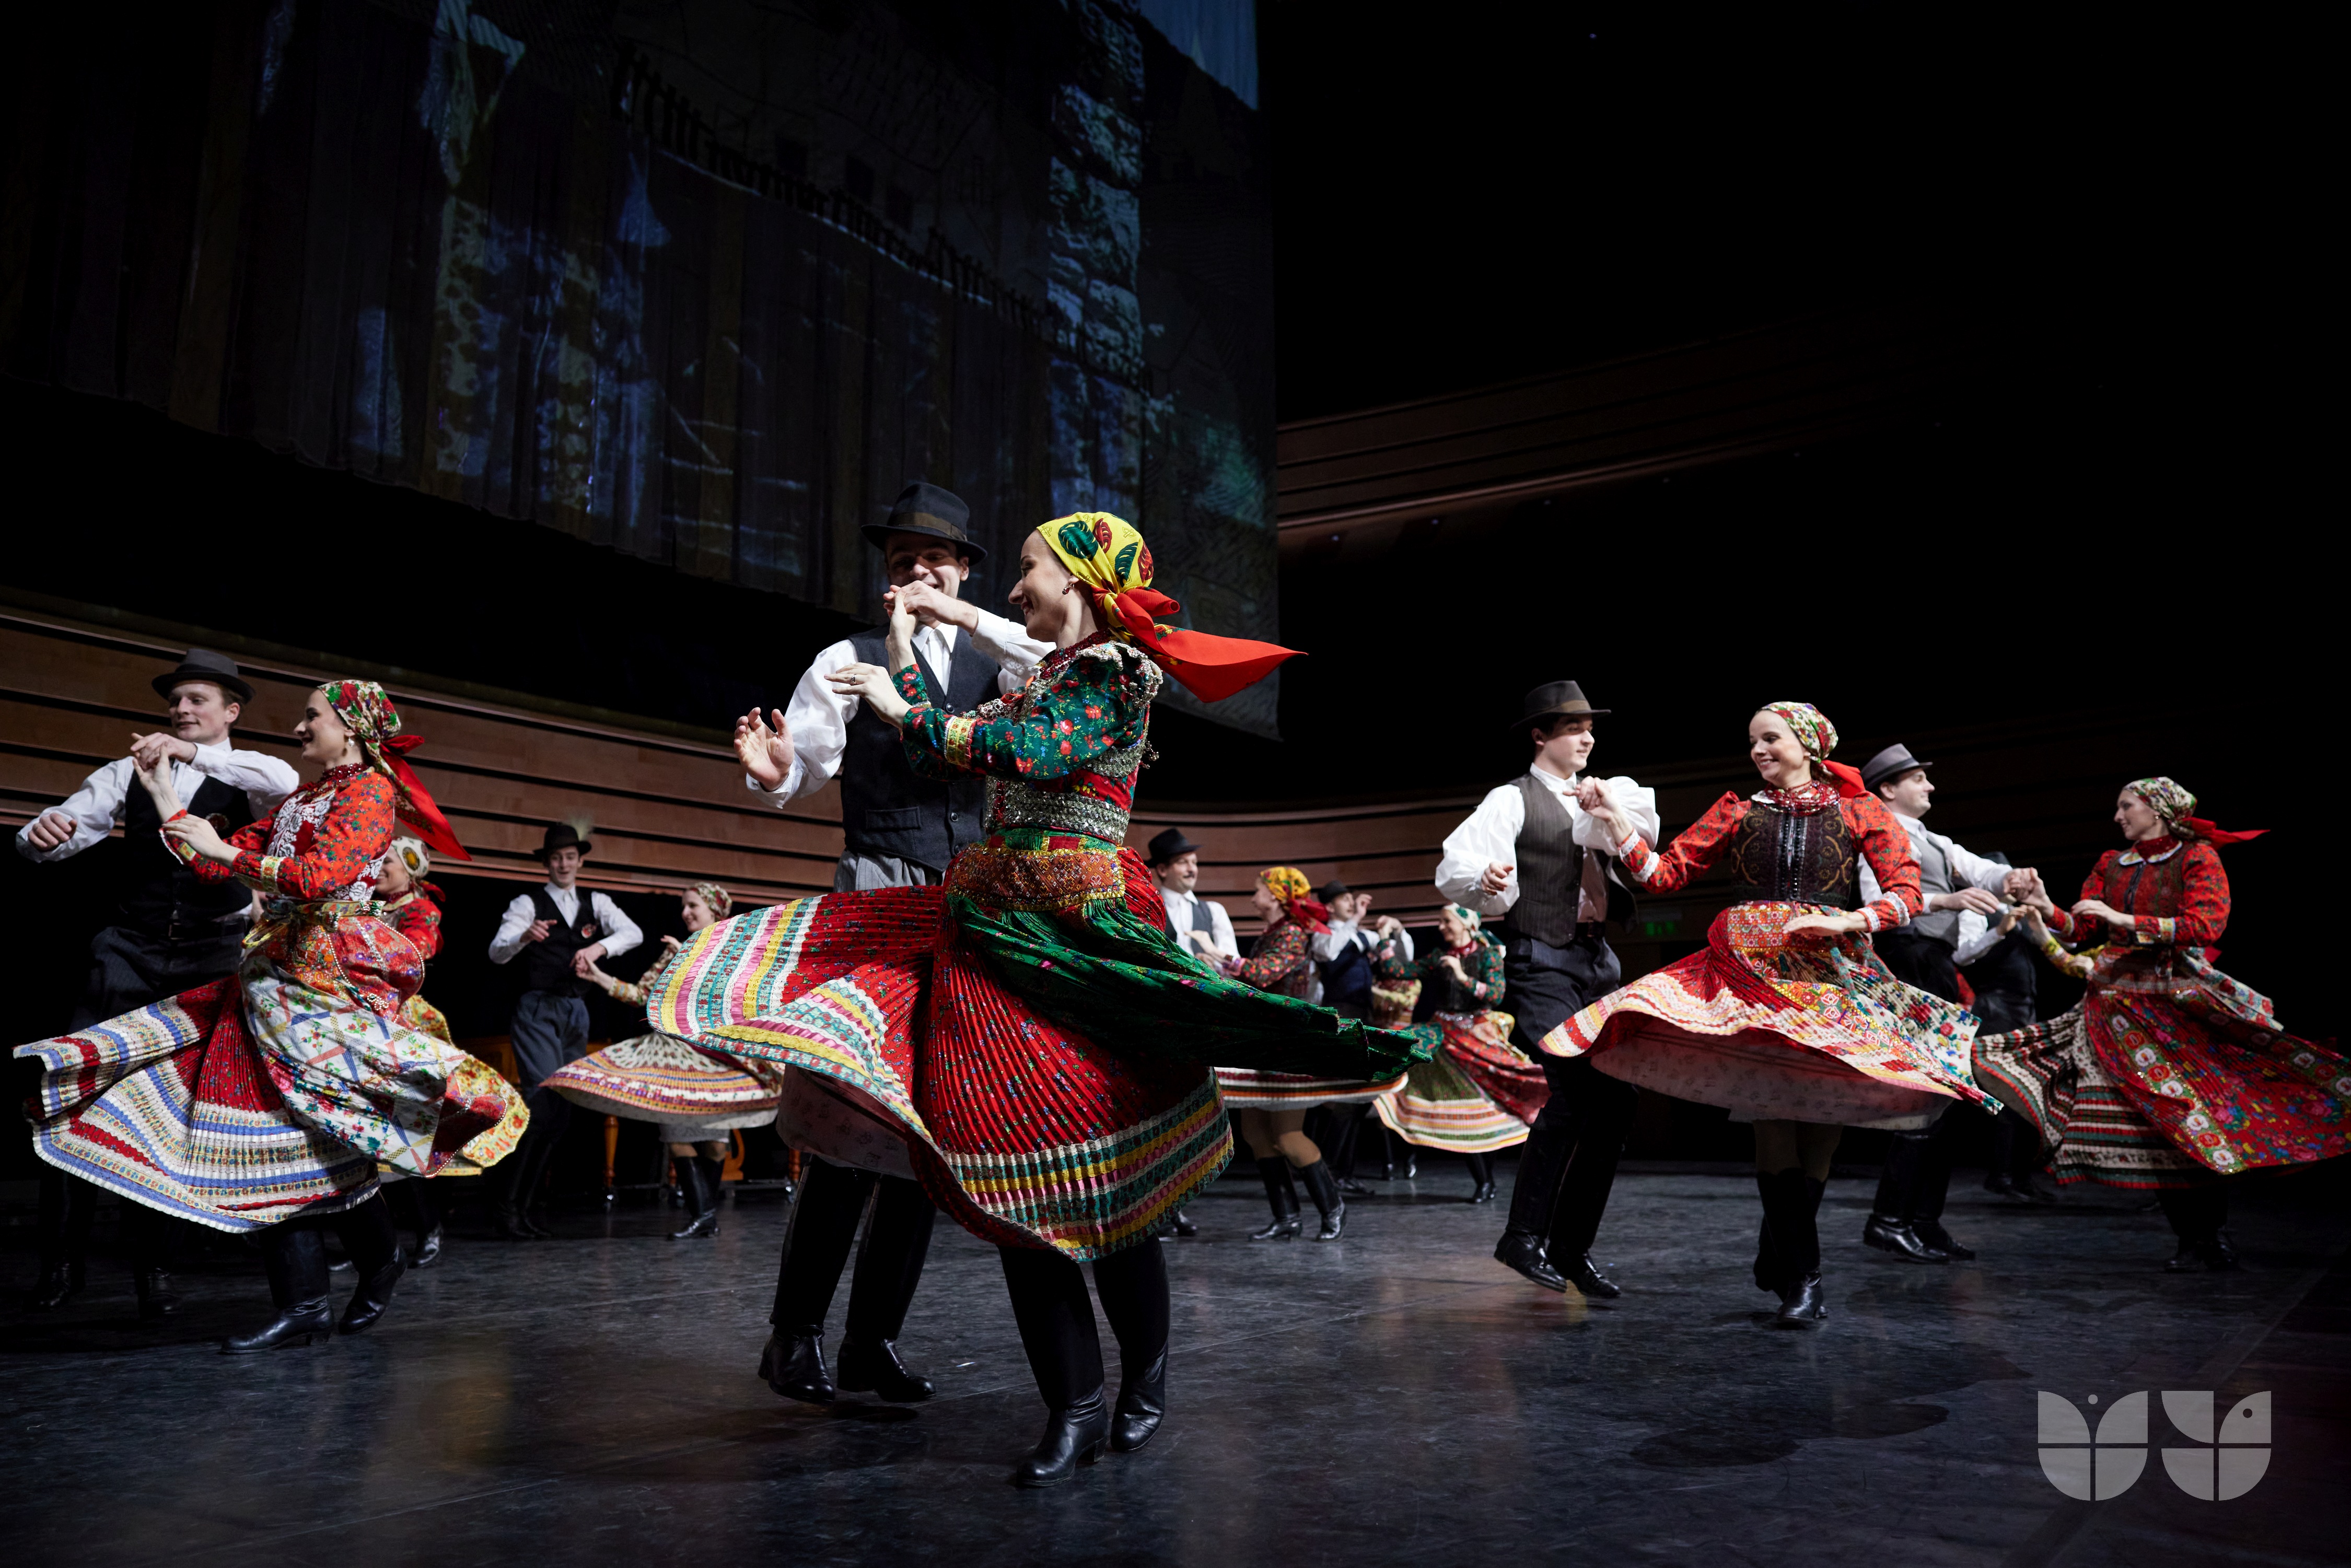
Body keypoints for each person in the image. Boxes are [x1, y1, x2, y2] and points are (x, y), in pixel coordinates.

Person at [648, 511, 1419, 1484]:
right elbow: (945, 751)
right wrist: (896, 662)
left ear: (1081, 580)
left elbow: (1024, 749)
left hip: (1079, 936)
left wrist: (901, 684)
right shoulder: (1046, 669)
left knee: (1110, 1181)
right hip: (989, 936)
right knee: (1011, 1172)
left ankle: (1143, 1375)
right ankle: (1072, 1402)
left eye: (1026, 569)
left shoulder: (1116, 673)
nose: (1013, 589)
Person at [15, 681, 526, 1353]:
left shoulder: (369, 792)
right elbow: (208, 863)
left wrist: (225, 851)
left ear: (350, 728)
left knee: (315, 1132)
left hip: (325, 983)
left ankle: (376, 1258)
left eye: (312, 716)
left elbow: (320, 877)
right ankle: (309, 1299)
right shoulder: (306, 797)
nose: (298, 727)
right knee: (271, 1133)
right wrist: (162, 790)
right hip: (268, 977)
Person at [728, 484, 1049, 1407]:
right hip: (878, 892)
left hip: (972, 903)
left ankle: (873, 1339)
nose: (916, 570)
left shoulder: (1002, 657)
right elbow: (805, 761)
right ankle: (793, 1335)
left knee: (931, 1134)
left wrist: (964, 618)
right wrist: (775, 772)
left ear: (964, 571)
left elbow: (1068, 663)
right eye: (902, 559)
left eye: (934, 558)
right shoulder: (848, 656)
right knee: (851, 1122)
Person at [1545, 701, 1988, 1327]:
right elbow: (1664, 876)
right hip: (1752, 977)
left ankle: (1781, 1248)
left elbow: (1906, 893)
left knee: (1821, 1124)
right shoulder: (1738, 809)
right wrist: (1616, 818)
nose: (1758, 750)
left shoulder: (1859, 808)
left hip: (1830, 977)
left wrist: (1850, 918)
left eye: (1770, 738)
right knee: (1775, 1115)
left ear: (1807, 743)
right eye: (1753, 740)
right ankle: (1805, 1280)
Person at [15, 648, 298, 1316]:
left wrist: (189, 754)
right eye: (175, 701)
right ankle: (61, 1261)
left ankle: (156, 1267)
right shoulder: (129, 770)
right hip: (131, 951)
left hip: (211, 957)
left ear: (231, 711)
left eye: (198, 700)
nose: (181, 709)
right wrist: (39, 835)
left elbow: (284, 778)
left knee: (175, 1114)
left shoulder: (253, 776)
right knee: (73, 1095)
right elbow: (64, 830)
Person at [1975, 778, 2351, 1270]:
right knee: (2154, 1129)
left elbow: (2205, 925)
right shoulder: (2112, 863)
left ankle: (2209, 1236)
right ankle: (2195, 1239)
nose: (2118, 816)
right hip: (2116, 1010)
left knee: (2192, 1118)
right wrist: (2048, 908)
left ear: (2156, 810)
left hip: (2176, 1005)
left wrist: (2126, 921)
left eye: (2126, 806)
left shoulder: (2196, 858)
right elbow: (2084, 928)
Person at [1436, 680, 1659, 1298]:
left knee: (1616, 1104)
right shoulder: (1512, 798)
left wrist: (1609, 814)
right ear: (1540, 735)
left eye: (1590, 727)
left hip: (1597, 961)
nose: (1586, 737)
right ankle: (1524, 1234)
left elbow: (1640, 854)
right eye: (1572, 727)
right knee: (1576, 1090)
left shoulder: (1607, 794)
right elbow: (1459, 866)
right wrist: (1486, 878)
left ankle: (1568, 1246)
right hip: (1541, 959)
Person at [1852, 743, 2041, 1264]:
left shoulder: (1933, 839)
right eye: (1918, 778)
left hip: (1934, 966)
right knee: (1924, 1099)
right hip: (1905, 962)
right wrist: (1946, 900)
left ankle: (1922, 1219)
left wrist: (2011, 878)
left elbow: (1981, 870)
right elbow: (1877, 902)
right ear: (1889, 789)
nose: (1929, 785)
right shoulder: (1879, 834)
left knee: (1947, 1100)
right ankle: (1889, 1220)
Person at [556, 883, 783, 1241]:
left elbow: (736, 1000)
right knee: (677, 1136)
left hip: (717, 1057)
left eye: (693, 906)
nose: (685, 913)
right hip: (675, 1056)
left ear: (714, 911)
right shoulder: (674, 950)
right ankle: (703, 1216)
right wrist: (598, 976)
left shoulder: (735, 949)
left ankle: (705, 1218)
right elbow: (642, 995)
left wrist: (693, 964)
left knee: (715, 1143)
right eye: (683, 906)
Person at [1215, 867, 1401, 1242]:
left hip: (1289, 1043)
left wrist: (1219, 958)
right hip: (1263, 1042)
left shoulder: (1292, 932)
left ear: (1277, 895)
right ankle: (1287, 1217)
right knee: (1256, 1134)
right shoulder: (1272, 932)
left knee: (1287, 1135)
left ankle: (1333, 1207)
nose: (1253, 897)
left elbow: (1264, 974)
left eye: (1259, 890)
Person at [484, 821, 644, 1239]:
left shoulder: (596, 901)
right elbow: (497, 952)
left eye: (570, 857)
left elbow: (634, 933)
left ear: (580, 861)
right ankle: (504, 1207)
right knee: (541, 1104)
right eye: (556, 858)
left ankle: (523, 1209)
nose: (564, 864)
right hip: (538, 1009)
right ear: (547, 863)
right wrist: (524, 935)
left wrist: (598, 948)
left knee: (561, 1113)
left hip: (576, 1011)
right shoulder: (528, 903)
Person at [1370, 905, 1546, 1202]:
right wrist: (1386, 937)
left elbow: (1496, 995)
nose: (1441, 927)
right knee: (1462, 1103)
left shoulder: (1487, 955)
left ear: (1466, 924)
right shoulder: (1440, 956)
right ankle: (1483, 1181)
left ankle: (1488, 1180)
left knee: (1488, 1106)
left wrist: (1462, 975)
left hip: (1477, 1038)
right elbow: (1397, 971)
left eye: (1446, 921)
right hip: (1444, 1039)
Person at [377, 835, 455, 1265]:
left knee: (407, 1131)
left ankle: (429, 1226)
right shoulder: (364, 907)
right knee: (363, 1135)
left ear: (410, 870)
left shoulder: (420, 910)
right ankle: (374, 1243)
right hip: (363, 1019)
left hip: (402, 1024)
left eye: (387, 860)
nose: (378, 867)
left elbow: (414, 954)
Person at [1147, 827, 1238, 964]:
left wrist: (1211, 963)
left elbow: (1233, 965)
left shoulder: (1214, 911)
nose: (1192, 869)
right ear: (1162, 870)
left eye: (1194, 863)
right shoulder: (1149, 911)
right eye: (1183, 862)